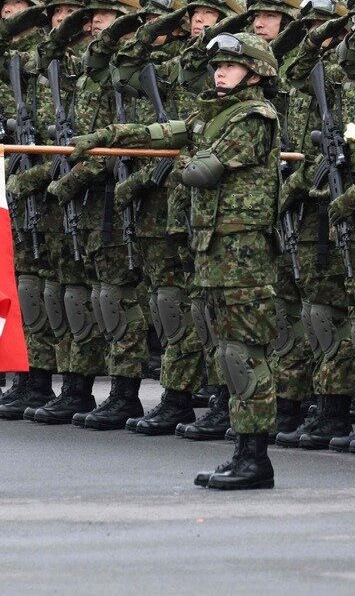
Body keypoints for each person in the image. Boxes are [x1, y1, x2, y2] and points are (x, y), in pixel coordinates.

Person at [73, 33, 284, 491]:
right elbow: (162, 132)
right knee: (228, 350)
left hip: (241, 251)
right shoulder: (216, 116)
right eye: (218, 65)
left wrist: (185, 150)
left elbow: (198, 171)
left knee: (244, 352)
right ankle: (244, 451)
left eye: (230, 65)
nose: (219, 72)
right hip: (214, 248)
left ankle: (255, 456)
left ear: (256, 72)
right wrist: (107, 137)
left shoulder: (253, 117)